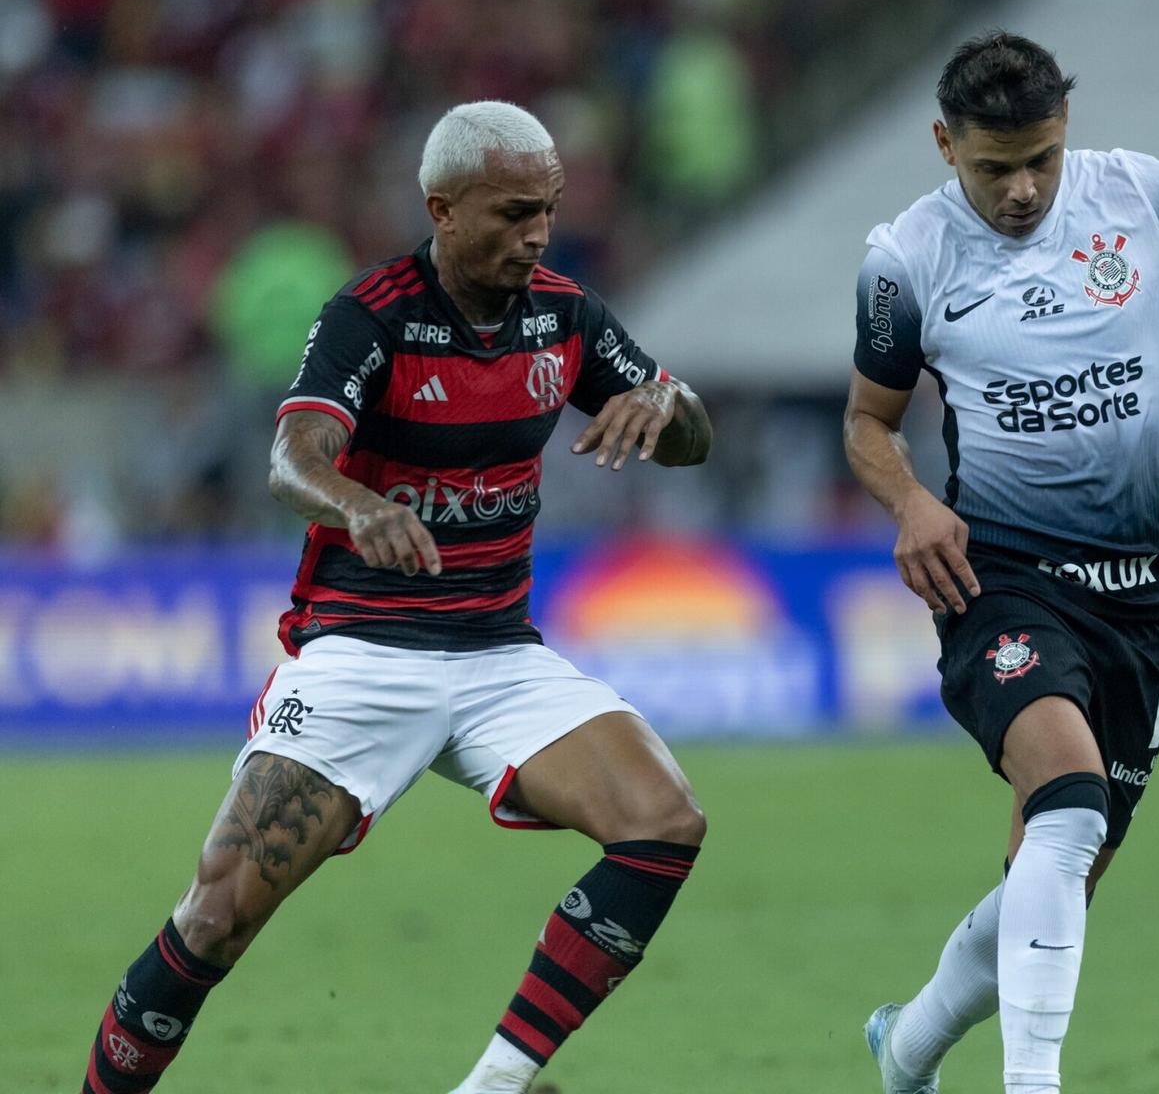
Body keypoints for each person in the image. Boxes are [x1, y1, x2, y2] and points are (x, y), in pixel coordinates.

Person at [76, 101, 715, 1094]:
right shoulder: (371, 316)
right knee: (217, 915)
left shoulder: (566, 315)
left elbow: (693, 436)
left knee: (664, 820)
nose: (537, 234)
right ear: (442, 209)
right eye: (511, 214)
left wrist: (667, 403)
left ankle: (492, 1086)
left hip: (501, 655)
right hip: (360, 653)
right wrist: (358, 505)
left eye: (546, 209)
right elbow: (293, 458)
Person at [845, 30, 1159, 1094]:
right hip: (998, 581)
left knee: (1053, 873)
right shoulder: (906, 261)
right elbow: (866, 426)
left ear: (1069, 134)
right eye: (993, 167)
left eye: (1041, 160)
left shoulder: (1144, 198)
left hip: (1147, 598)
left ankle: (909, 1048)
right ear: (943, 144)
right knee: (1067, 800)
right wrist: (912, 499)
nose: (1022, 189)